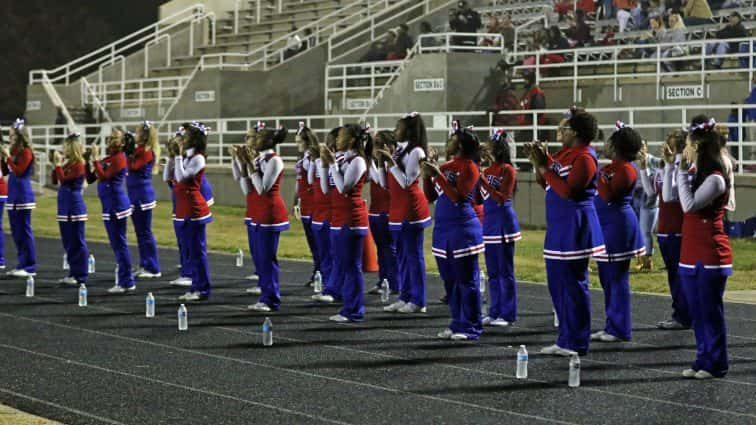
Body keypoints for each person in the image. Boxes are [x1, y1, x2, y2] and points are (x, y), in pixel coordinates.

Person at [526, 108, 605, 356]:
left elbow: (569, 191)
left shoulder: (585, 158)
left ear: (577, 132)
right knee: (556, 284)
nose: (560, 132)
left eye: (565, 128)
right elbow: (546, 183)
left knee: (573, 285)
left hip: (575, 225)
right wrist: (539, 162)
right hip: (558, 226)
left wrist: (545, 166)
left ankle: (578, 341)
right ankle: (565, 339)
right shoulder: (565, 154)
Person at [676, 115, 732, 379]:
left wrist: (679, 170)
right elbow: (669, 196)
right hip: (691, 249)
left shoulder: (716, 178)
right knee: (697, 311)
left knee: (710, 310)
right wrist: (671, 168)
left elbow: (688, 205)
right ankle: (703, 358)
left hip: (710, 251)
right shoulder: (695, 173)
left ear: (696, 145)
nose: (684, 147)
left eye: (687, 142)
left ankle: (716, 362)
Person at [422, 124, 484, 340]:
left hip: (463, 230)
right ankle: (458, 322)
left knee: (466, 281)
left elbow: (459, 197)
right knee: (450, 282)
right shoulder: (447, 166)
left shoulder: (470, 167)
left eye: (452, 138)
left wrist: (437, 174)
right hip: (443, 230)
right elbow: (430, 196)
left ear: (459, 144)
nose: (448, 141)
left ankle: (472, 326)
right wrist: (426, 175)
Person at [591, 122, 646, 343]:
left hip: (618, 227)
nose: (605, 144)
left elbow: (608, 195)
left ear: (617, 146)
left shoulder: (627, 169)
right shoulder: (611, 167)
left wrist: (598, 174)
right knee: (607, 278)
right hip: (606, 225)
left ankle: (620, 328)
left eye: (609, 141)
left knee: (616, 278)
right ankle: (612, 324)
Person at [375, 112, 432, 314]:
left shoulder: (417, 152)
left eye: (398, 127)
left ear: (408, 129)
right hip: (397, 209)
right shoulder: (399, 150)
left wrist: (390, 162)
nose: (395, 131)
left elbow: (407, 182)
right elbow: (384, 184)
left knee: (413, 255)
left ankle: (418, 300)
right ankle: (405, 296)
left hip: (411, 209)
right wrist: (380, 162)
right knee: (401, 255)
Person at [639, 129, 691, 330]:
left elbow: (670, 196)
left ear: (676, 147)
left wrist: (670, 166)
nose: (663, 148)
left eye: (668, 144)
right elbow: (652, 193)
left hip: (678, 230)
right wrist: (643, 169)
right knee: (673, 274)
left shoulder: (683, 168)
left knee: (679, 275)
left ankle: (683, 315)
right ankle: (680, 313)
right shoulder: (665, 167)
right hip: (664, 229)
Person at [321, 124, 370, 322]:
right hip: (338, 217)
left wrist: (332, 164)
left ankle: (355, 310)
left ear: (351, 140)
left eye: (340, 137)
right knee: (343, 264)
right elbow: (326, 189)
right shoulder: (342, 159)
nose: (336, 140)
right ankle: (349, 306)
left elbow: (343, 189)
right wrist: (324, 164)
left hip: (351, 219)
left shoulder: (358, 161)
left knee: (352, 266)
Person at [240, 126, 290, 312]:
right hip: (255, 211)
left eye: (258, 137)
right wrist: (242, 163)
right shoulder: (258, 159)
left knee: (267, 258)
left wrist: (250, 166)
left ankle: (271, 299)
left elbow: (263, 189)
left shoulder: (274, 160)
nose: (254, 140)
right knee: (258, 256)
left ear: (268, 141)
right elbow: (248, 189)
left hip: (269, 213)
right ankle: (264, 290)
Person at [166, 122, 213, 302]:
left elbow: (181, 178)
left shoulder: (198, 159)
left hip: (194, 209)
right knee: (190, 251)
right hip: (183, 208)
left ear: (194, 139)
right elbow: (167, 177)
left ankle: (202, 289)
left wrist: (177, 157)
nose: (181, 140)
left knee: (197, 251)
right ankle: (195, 286)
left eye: (185, 137)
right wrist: (172, 157)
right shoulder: (186, 157)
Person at [479, 128, 521, 327]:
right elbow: (480, 199)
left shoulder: (508, 170)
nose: (486, 148)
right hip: (489, 225)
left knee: (506, 271)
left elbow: (502, 198)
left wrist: (482, 181)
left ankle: (508, 313)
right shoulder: (486, 171)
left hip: (504, 224)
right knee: (492, 272)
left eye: (489, 146)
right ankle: (494, 311)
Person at [86, 128, 135, 293]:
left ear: (122, 143)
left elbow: (105, 176)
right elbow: (91, 178)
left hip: (116, 205)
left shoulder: (120, 158)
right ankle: (124, 279)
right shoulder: (108, 158)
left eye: (115, 138)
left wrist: (94, 160)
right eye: (110, 138)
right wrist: (87, 160)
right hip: (108, 204)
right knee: (116, 245)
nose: (110, 141)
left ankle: (126, 281)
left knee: (120, 244)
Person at [51, 133, 89, 286]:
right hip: (64, 208)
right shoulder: (67, 164)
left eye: (65, 146)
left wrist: (59, 166)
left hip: (74, 207)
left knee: (77, 242)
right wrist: (56, 165)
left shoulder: (79, 164)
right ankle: (73, 272)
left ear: (72, 148)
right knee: (68, 243)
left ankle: (81, 275)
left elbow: (65, 180)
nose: (62, 149)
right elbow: (55, 179)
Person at [1, 119, 36, 278]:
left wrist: (8, 156)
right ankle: (22, 264)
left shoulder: (26, 152)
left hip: (23, 195)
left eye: (12, 135)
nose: (10, 137)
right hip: (13, 194)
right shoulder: (14, 152)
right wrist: (4, 158)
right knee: (16, 232)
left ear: (20, 136)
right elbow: (7, 172)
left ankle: (30, 266)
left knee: (24, 231)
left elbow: (20, 171)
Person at [127, 121, 161, 279]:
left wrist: (126, 154)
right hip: (135, 194)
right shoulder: (140, 149)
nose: (135, 135)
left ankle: (153, 267)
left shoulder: (146, 151)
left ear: (145, 135)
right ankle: (145, 263)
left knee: (145, 232)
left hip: (142, 195)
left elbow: (133, 167)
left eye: (138, 132)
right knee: (140, 232)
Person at [310, 128, 340, 304]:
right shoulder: (322, 161)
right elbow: (319, 185)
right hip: (319, 211)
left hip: (333, 212)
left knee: (335, 254)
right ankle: (328, 286)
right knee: (325, 255)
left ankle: (335, 289)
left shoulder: (344, 161)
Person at [366, 130, 398, 295]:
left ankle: (394, 282)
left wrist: (377, 160)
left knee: (391, 249)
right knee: (380, 248)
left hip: (389, 211)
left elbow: (381, 181)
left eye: (379, 144)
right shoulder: (373, 162)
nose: (376, 148)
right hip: (375, 210)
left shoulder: (393, 163)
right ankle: (383, 280)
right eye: (375, 144)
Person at [294, 122, 320, 286]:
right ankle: (318, 271)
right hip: (305, 203)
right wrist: (297, 201)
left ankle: (321, 272)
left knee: (317, 242)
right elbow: (300, 182)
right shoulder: (303, 157)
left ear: (307, 141)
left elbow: (311, 181)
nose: (297, 145)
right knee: (312, 241)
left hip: (313, 203)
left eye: (299, 142)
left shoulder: (311, 157)